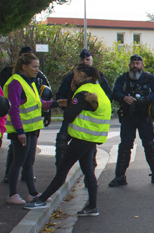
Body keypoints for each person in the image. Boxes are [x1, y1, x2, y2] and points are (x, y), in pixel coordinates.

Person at [24, 64, 111, 215]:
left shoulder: (83, 92)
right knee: (88, 171)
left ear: (83, 74)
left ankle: (41, 200)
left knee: (62, 170)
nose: (73, 77)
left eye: (75, 74)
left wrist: (71, 92)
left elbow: (69, 115)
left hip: (81, 137)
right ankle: (92, 207)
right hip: (92, 137)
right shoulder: (97, 89)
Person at [3, 53, 56, 204]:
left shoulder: (29, 82)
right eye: (34, 67)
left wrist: (58, 103)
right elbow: (13, 110)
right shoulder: (16, 83)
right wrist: (20, 132)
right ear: (24, 67)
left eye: (38, 67)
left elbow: (40, 103)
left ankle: (32, 193)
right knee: (18, 161)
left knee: (28, 162)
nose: (37, 70)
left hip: (31, 130)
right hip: (22, 131)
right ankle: (12, 195)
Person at [108, 54, 154, 187]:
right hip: (128, 116)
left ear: (142, 65)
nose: (135, 66)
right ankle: (120, 176)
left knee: (150, 145)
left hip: (145, 116)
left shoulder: (149, 78)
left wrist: (146, 99)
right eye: (133, 63)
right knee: (125, 146)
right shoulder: (123, 79)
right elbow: (114, 93)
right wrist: (124, 98)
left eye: (138, 63)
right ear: (129, 65)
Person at [54, 49, 111, 170]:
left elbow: (108, 97)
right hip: (72, 114)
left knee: (90, 151)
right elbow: (60, 94)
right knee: (61, 140)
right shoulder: (72, 77)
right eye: (82, 59)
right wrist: (67, 104)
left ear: (91, 61)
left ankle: (90, 176)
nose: (84, 62)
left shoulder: (99, 79)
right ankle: (60, 169)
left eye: (87, 59)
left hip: (88, 120)